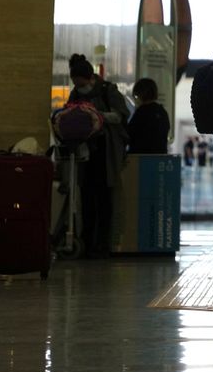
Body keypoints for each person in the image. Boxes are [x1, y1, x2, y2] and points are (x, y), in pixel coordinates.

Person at [66, 54, 130, 257]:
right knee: (85, 199)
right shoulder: (75, 94)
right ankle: (87, 243)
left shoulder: (107, 91)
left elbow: (120, 116)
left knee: (103, 199)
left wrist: (95, 115)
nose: (79, 87)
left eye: (81, 83)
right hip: (84, 154)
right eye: (76, 84)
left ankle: (102, 244)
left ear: (90, 78)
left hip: (104, 152)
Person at [127, 78, 169, 155]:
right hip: (160, 156)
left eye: (136, 96)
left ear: (141, 94)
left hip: (141, 158)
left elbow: (130, 134)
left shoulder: (142, 112)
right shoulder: (162, 112)